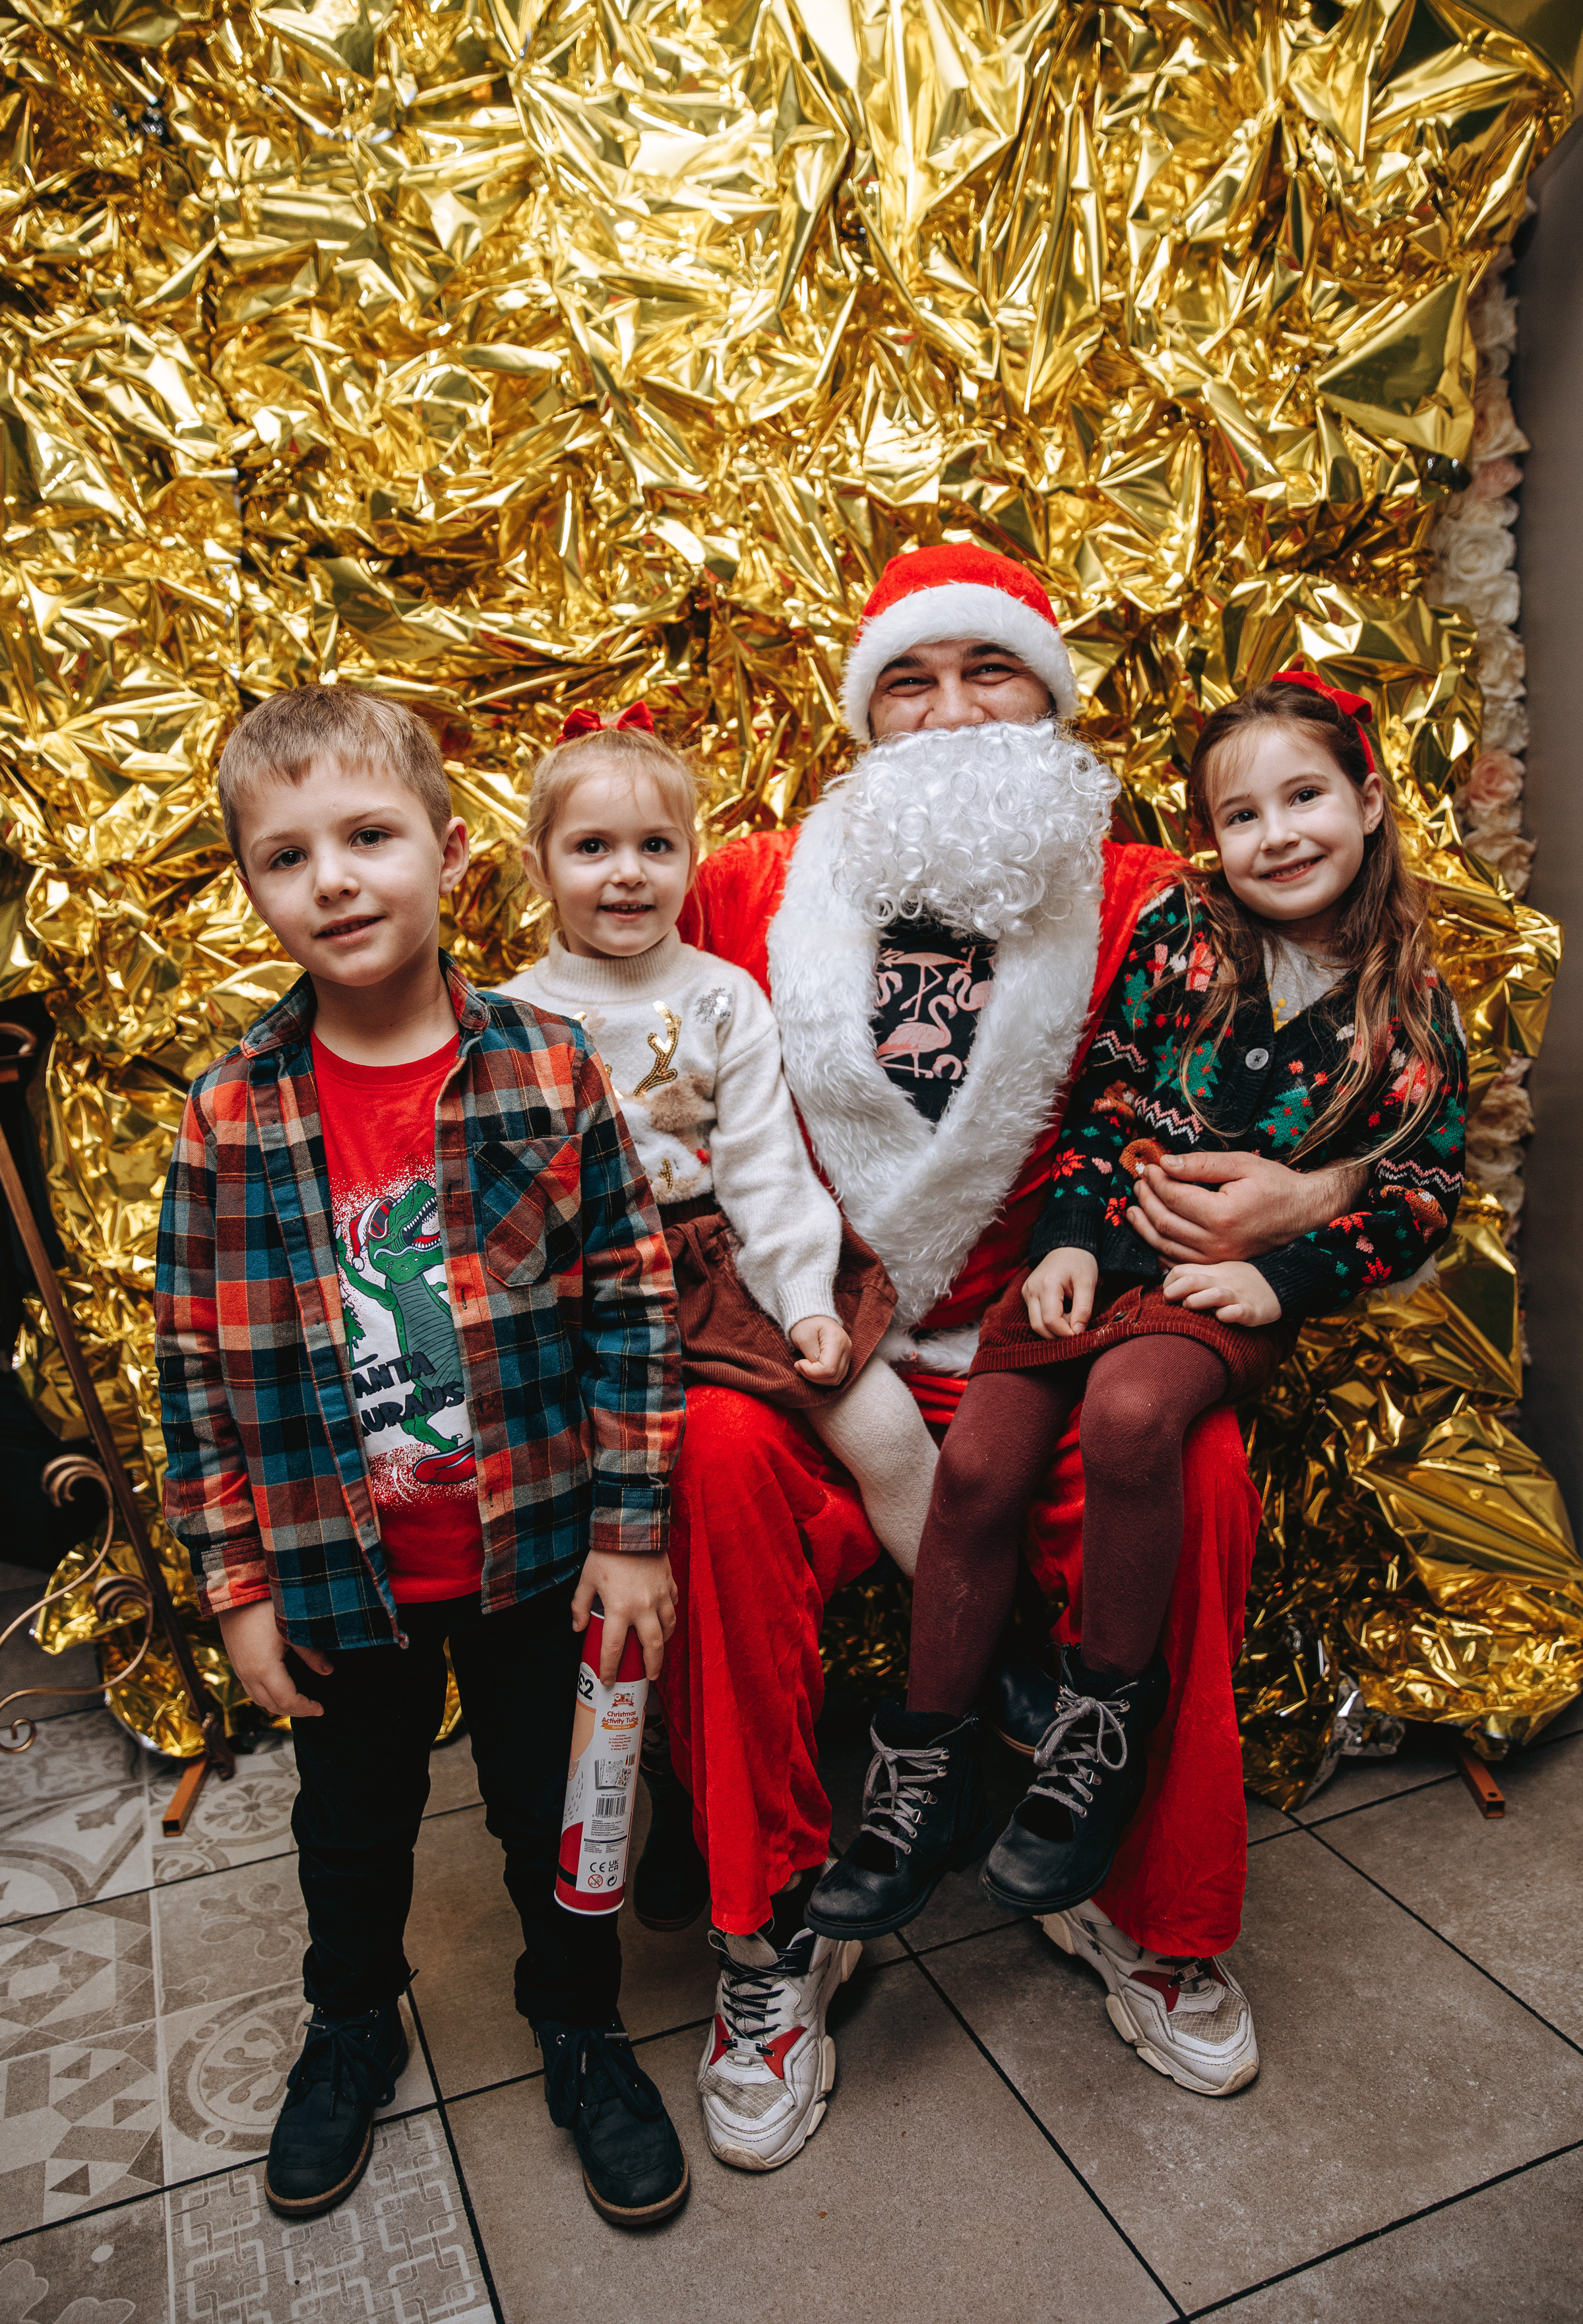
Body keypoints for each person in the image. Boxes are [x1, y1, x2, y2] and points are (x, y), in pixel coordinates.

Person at [654, 545, 1373, 2168]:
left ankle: (1153, 1911)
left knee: (1185, 1470)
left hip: (1054, 1341)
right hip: (815, 1352)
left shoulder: (1149, 897)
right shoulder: (743, 886)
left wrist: (1322, 1187)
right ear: (859, 713)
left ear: (1052, 707)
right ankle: (767, 1935)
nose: (952, 709)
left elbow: (1340, 1067)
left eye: (994, 673)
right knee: (705, 1470)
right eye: (910, 677)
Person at [808, 667, 1468, 2098]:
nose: (1279, 833)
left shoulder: (1410, 996)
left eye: (1306, 797)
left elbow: (1425, 1191)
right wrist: (1062, 1239)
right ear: (1208, 836)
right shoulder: (1178, 926)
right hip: (1100, 1258)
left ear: (1367, 802)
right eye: (1244, 812)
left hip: (1218, 1293)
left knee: (1132, 1419)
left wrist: (1286, 1270)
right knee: (975, 1467)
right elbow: (1113, 1092)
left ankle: (1097, 1726)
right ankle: (918, 1773)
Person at [154, 687, 689, 2230]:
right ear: (250, 885)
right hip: (335, 1566)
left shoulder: (546, 1070)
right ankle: (348, 2025)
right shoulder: (230, 1112)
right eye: (285, 855)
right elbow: (197, 1360)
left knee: (551, 1813)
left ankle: (577, 2024)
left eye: (369, 837)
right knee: (350, 1827)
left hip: (534, 1553)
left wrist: (635, 1527)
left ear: (452, 854)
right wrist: (236, 1579)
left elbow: (633, 1307)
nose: (331, 879)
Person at [500, 703, 943, 1934]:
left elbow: (764, 1171)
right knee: (638, 1543)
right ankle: (682, 1791)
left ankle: (975, 1664)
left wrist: (805, 1301)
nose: (625, 873)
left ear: (691, 863)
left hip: (721, 1262)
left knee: (889, 1426)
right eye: (591, 848)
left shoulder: (724, 997)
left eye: (655, 846)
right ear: (538, 865)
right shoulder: (509, 1018)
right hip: (592, 1296)